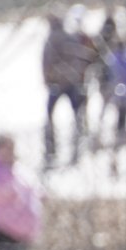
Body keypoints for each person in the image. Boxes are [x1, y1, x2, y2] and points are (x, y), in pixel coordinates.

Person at [43, 10, 97, 164]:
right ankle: (77, 150)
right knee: (77, 116)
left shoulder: (52, 39)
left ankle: (51, 150)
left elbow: (47, 63)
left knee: (50, 116)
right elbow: (80, 58)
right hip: (72, 83)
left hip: (58, 84)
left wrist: (50, 78)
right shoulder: (69, 37)